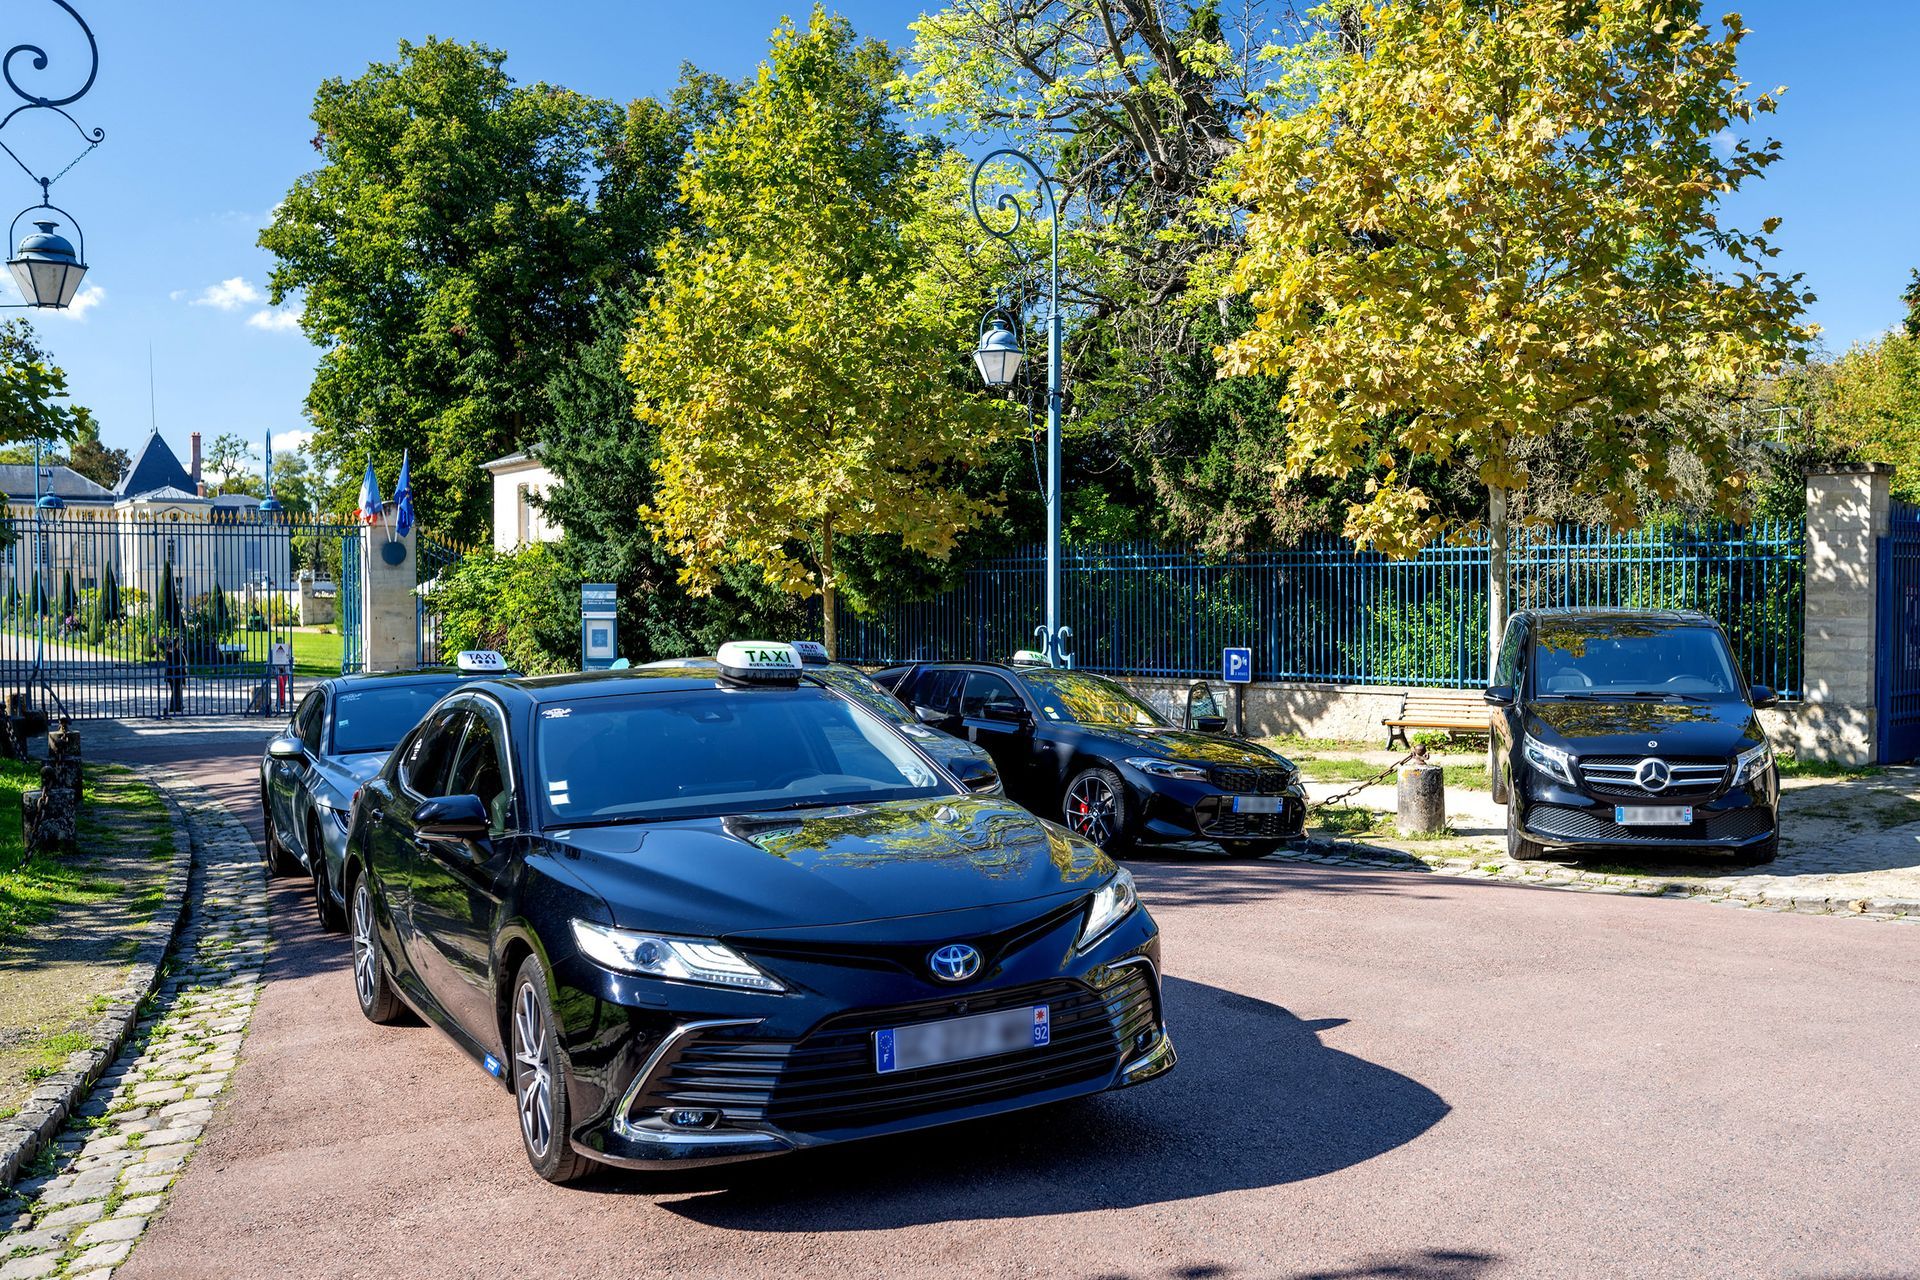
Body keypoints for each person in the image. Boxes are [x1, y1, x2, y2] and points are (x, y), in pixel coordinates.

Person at [163, 635, 186, 716]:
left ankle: (177, 706)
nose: (182, 644)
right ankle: (174, 707)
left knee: (176, 690)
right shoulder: (174, 651)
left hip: (175, 674)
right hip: (174, 674)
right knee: (175, 690)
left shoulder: (176, 651)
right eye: (181, 643)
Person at [269, 638, 293, 712]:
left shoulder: (286, 650)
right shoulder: (272, 651)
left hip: (284, 670)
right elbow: (270, 664)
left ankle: (279, 701)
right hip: (276, 670)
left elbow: (289, 661)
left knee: (283, 682)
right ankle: (281, 701)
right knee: (281, 683)